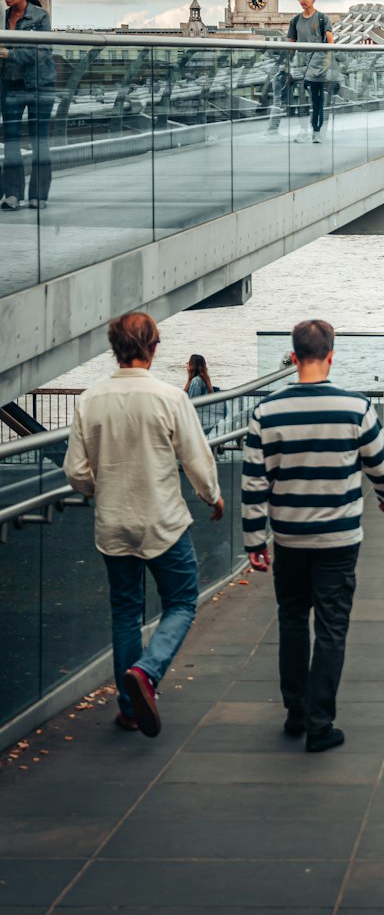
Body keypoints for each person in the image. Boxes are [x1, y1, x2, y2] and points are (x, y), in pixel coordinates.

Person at [241, 318, 384, 753]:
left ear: (293, 358)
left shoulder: (266, 412)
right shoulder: (355, 407)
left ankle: (294, 710)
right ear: (332, 355)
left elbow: (254, 481)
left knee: (292, 620)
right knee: (332, 628)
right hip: (338, 540)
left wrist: (256, 541)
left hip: (289, 539)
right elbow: (381, 465)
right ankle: (319, 722)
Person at [63, 312, 224, 736]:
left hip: (113, 524)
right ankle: (147, 673)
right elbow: (195, 457)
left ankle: (130, 708)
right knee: (183, 602)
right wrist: (213, 495)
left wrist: (103, 490)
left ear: (115, 348)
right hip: (163, 522)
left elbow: (76, 472)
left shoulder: (89, 400)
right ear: (153, 348)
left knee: (126, 611)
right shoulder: (170, 398)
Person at [1, 0, 56, 210]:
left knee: (39, 141)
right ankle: (12, 194)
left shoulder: (41, 17)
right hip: (10, 86)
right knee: (11, 141)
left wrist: (8, 53)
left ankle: (38, 195)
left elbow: (42, 51)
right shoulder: (3, 17)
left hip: (39, 86)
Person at [266, 0, 333, 140]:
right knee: (302, 100)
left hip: (317, 66)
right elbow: (291, 46)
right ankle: (305, 131)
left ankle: (316, 131)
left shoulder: (323, 18)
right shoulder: (295, 20)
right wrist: (286, 67)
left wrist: (324, 64)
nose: (301, 2)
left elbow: (330, 43)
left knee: (317, 100)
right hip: (300, 66)